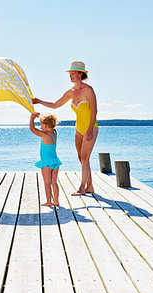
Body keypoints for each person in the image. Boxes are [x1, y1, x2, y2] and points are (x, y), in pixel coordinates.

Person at [32, 61, 98, 196]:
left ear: (81, 74)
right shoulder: (71, 92)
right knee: (81, 158)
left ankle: (82, 188)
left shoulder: (88, 90)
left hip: (91, 128)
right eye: (70, 73)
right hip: (78, 129)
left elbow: (94, 111)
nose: (71, 76)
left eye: (73, 73)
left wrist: (90, 130)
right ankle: (90, 186)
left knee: (85, 158)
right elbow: (55, 105)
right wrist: (39, 101)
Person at [30, 112, 62, 207]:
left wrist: (32, 118)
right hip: (55, 162)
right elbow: (47, 124)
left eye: (41, 124)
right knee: (54, 182)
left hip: (47, 163)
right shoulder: (54, 132)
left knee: (47, 183)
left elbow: (32, 129)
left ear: (46, 125)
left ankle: (49, 202)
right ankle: (56, 201)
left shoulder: (45, 135)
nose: (40, 126)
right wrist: (40, 117)